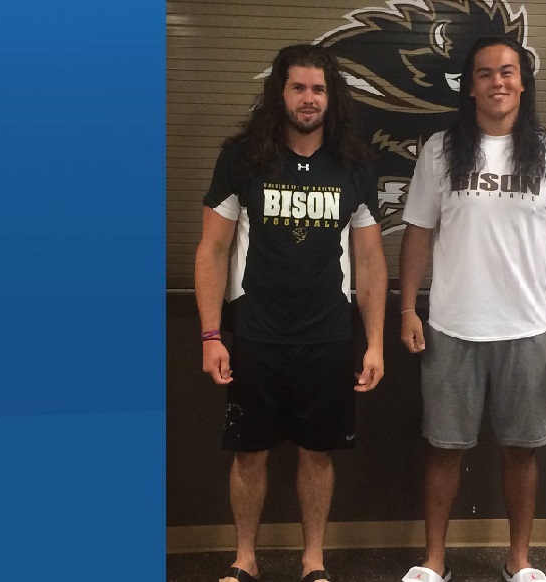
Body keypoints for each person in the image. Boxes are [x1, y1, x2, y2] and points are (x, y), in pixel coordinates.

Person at [398, 37, 546, 582]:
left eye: (508, 72)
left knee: (522, 452)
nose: (498, 82)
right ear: (470, 85)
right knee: (442, 450)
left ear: (523, 83)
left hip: (526, 327)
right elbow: (416, 232)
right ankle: (434, 562)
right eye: (485, 74)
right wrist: (406, 308)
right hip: (451, 326)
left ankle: (519, 563)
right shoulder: (440, 149)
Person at [194, 44, 387, 582]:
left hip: (326, 335)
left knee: (316, 453)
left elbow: (371, 260)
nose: (308, 99)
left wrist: (373, 343)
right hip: (255, 333)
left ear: (332, 96)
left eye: (318, 89)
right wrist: (212, 334)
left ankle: (313, 563)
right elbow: (211, 248)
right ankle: (245, 561)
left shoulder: (355, 164)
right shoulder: (241, 158)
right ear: (280, 93)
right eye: (298, 87)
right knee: (249, 454)